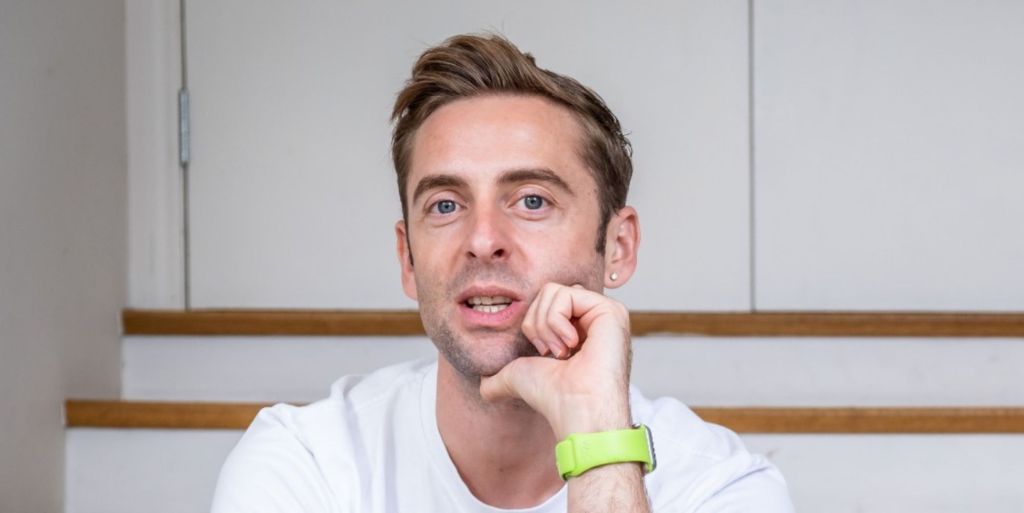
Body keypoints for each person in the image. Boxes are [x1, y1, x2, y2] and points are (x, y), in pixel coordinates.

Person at [211, 33, 793, 513]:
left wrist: (599, 443)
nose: (483, 241)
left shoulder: (722, 486)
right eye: (445, 205)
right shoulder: (304, 464)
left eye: (532, 200)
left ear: (618, 246)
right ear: (408, 260)